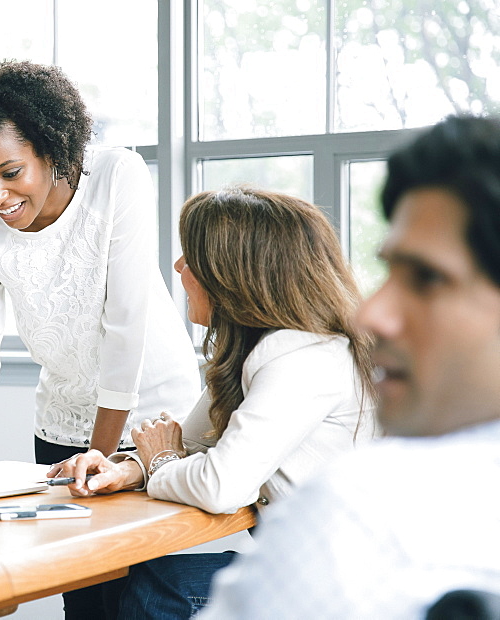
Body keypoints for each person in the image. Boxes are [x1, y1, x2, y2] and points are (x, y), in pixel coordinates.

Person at [197, 115, 500, 618]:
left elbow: (219, 479)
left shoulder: (353, 514)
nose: (371, 314)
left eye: (426, 278)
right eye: (389, 273)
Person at [52, 187, 377, 618]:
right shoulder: (259, 348)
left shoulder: (301, 356)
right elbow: (195, 443)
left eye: (192, 257)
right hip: (314, 566)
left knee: (164, 584)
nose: (179, 267)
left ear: (231, 275)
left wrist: (163, 459)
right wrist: (128, 467)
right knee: (145, 575)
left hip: (343, 587)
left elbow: (219, 485)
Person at [0, 60, 200, 464]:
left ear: (49, 150)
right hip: (60, 425)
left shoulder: (116, 175)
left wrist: (96, 458)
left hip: (154, 420)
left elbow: (125, 327)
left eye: (11, 172)